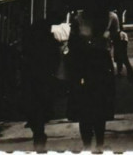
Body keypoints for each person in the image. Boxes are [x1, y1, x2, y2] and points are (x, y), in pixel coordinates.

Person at [66, 9, 116, 151]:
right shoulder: (79, 18)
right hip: (86, 65)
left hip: (98, 66)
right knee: (87, 109)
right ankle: (89, 144)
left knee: (97, 108)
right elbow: (72, 43)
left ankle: (97, 143)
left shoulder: (110, 17)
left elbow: (115, 41)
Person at [21, 19, 60, 152]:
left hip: (32, 81)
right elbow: (56, 61)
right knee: (42, 108)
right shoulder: (51, 43)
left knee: (34, 109)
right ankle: (39, 133)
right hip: (44, 80)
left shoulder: (29, 44)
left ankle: (38, 134)